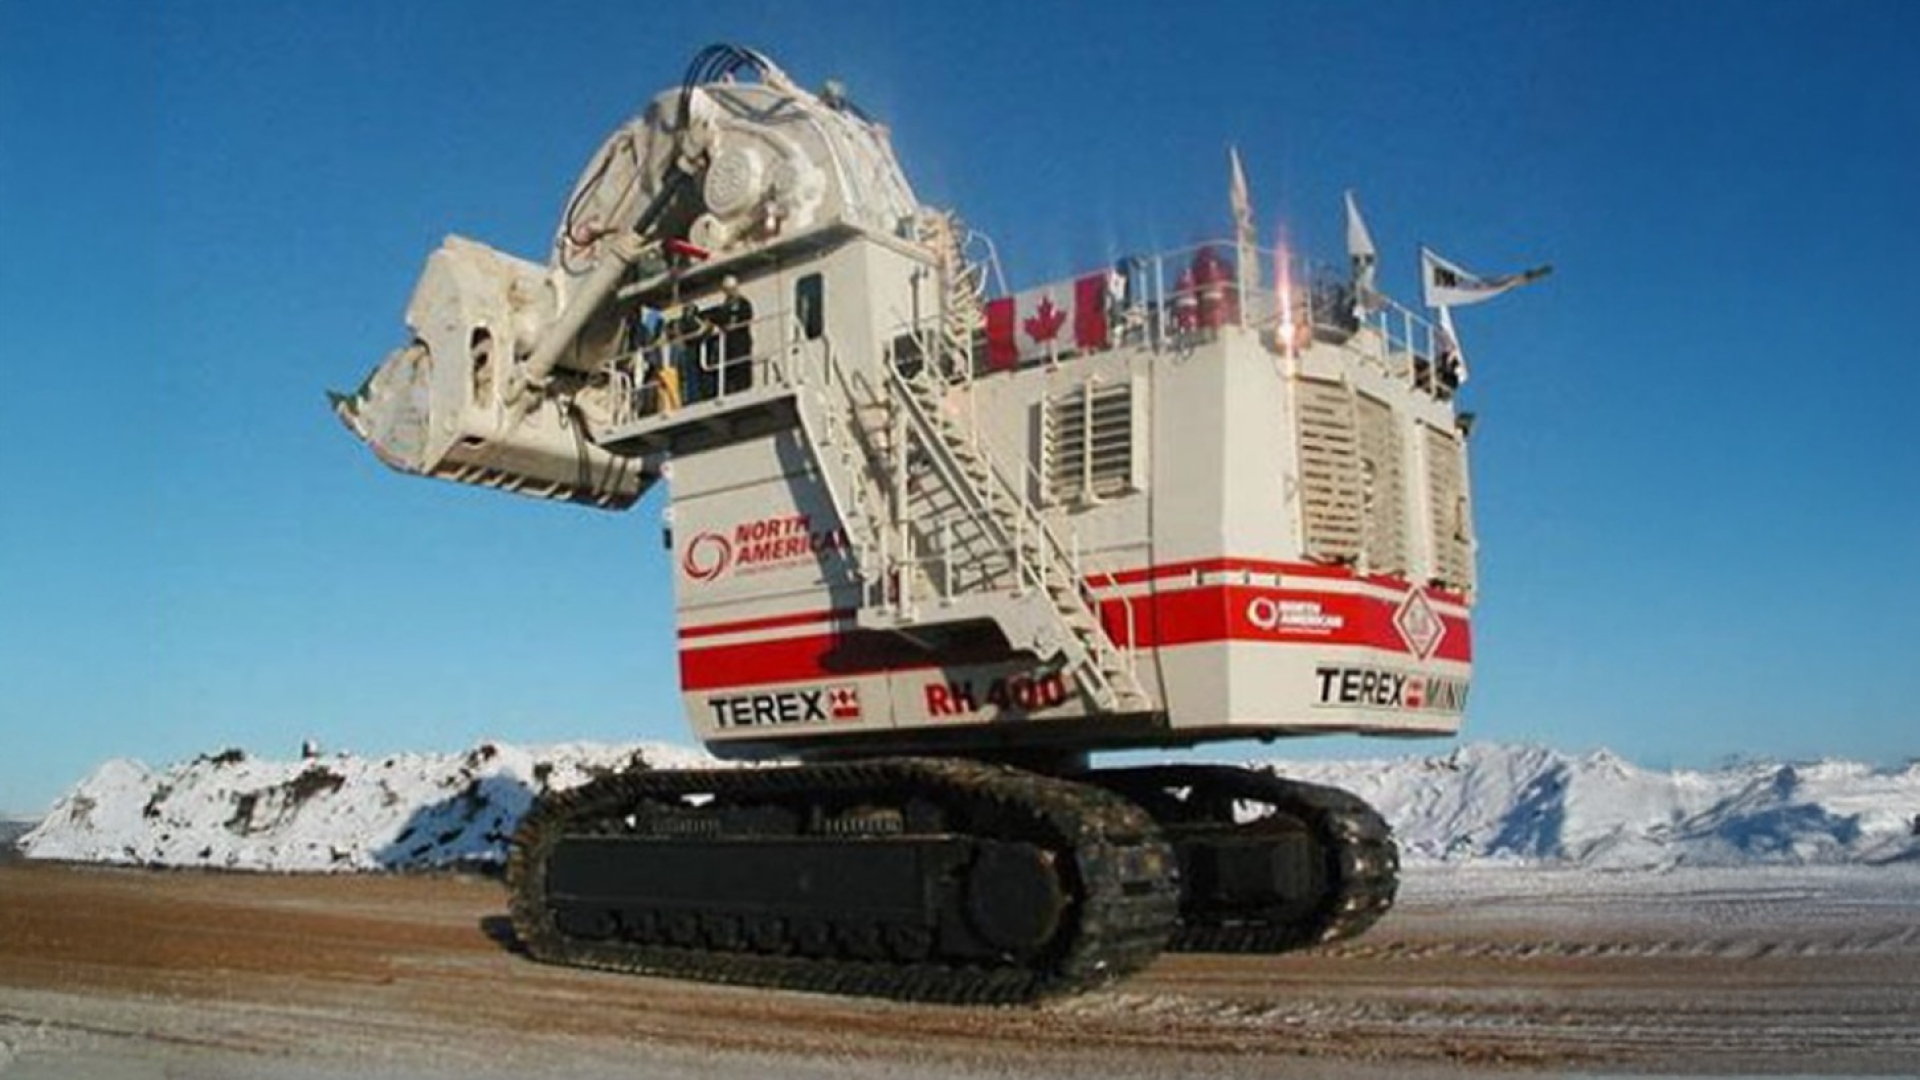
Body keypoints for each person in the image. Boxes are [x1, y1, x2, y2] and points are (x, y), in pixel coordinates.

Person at [712, 275, 755, 395]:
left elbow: (747, 316)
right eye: (727, 290)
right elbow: (720, 318)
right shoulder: (725, 305)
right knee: (730, 367)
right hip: (729, 341)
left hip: (741, 339)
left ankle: (744, 387)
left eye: (731, 289)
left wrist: (734, 323)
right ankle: (731, 388)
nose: (730, 292)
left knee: (742, 365)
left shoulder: (743, 302)